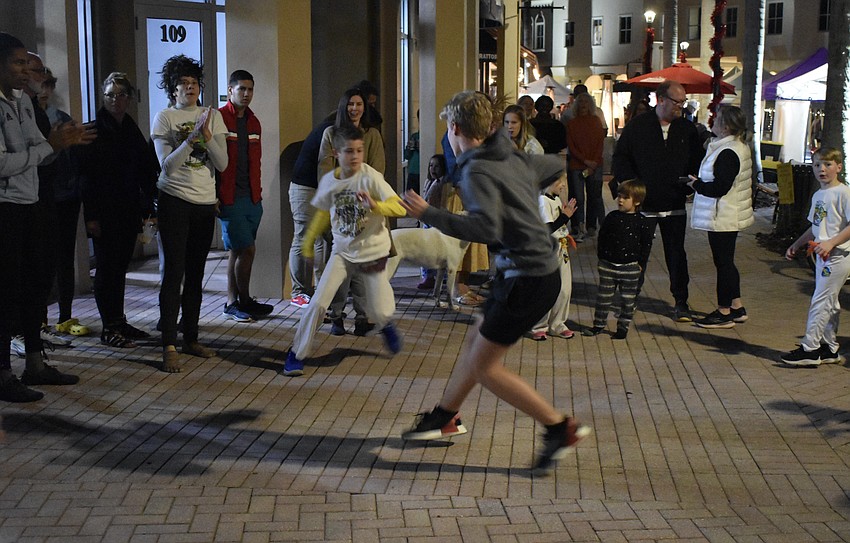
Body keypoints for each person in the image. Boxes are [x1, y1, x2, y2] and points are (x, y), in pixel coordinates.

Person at [399, 90, 591, 475]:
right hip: (531, 272)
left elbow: (487, 227)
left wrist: (430, 213)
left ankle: (559, 428)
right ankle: (445, 416)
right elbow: (551, 165)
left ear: (455, 129)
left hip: (526, 278)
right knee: (475, 344)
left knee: (486, 367)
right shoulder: (509, 154)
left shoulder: (476, 170)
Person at [0, 32, 95, 402]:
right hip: (6, 208)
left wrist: (58, 144)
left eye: (29, 65)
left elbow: (36, 148)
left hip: (32, 201)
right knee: (6, 291)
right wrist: (48, 147)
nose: (27, 72)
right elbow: (5, 161)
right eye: (18, 64)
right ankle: (4, 371)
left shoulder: (23, 101)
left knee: (34, 285)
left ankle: (35, 363)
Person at [283, 125, 404, 377]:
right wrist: (307, 244)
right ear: (336, 153)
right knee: (317, 304)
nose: (356, 156)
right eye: (349, 151)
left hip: (373, 251)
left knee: (380, 309)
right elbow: (321, 216)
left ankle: (385, 324)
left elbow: (399, 208)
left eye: (360, 150)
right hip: (342, 252)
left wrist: (376, 204)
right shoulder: (329, 181)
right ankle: (296, 353)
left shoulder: (371, 177)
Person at [151, 54, 228, 373]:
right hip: (174, 200)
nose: (189, 88)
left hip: (203, 202)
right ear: (172, 88)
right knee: (174, 272)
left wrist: (207, 138)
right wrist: (191, 140)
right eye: (182, 83)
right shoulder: (164, 117)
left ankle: (191, 337)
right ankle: (168, 343)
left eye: (193, 82)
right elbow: (166, 166)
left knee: (196, 272)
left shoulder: (212, 117)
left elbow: (222, 164)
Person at [78, 71, 159, 348]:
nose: (116, 100)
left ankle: (119, 320)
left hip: (127, 208)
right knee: (107, 268)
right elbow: (86, 178)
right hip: (104, 211)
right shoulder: (94, 130)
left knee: (120, 267)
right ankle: (108, 327)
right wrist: (91, 217)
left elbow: (145, 169)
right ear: (103, 97)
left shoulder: (130, 129)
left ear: (129, 99)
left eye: (121, 95)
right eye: (110, 95)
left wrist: (150, 205)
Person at [611, 80, 703, 322]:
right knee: (637, 254)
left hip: (674, 202)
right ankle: (629, 300)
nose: (680, 107)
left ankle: (681, 301)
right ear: (660, 99)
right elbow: (621, 158)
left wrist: (690, 184)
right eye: (676, 102)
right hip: (645, 204)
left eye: (683, 102)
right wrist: (632, 186)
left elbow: (696, 159)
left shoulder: (686, 129)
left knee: (676, 254)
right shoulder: (638, 127)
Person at [318, 87, 386, 335]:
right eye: (350, 104)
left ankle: (362, 316)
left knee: (362, 267)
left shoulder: (373, 135)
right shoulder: (330, 134)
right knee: (340, 267)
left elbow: (378, 170)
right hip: (340, 209)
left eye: (359, 104)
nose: (354, 109)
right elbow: (325, 169)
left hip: (366, 209)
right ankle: (336, 315)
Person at [686, 105, 753, 329]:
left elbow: (719, 187)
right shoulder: (732, 147)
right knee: (726, 262)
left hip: (723, 215)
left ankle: (724, 311)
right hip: (726, 214)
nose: (712, 121)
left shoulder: (728, 151)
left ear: (725, 126)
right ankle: (736, 306)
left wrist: (696, 184)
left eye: (717, 119)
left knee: (723, 263)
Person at [781, 148, 849, 367]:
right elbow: (816, 226)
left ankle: (810, 349)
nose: (822, 169)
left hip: (837, 256)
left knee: (821, 300)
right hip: (821, 255)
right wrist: (797, 244)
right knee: (830, 301)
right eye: (817, 165)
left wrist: (831, 242)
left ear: (839, 167)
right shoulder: (819, 195)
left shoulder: (844, 193)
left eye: (828, 164)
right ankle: (829, 348)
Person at [217, 70, 273, 323]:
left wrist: (257, 196)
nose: (247, 94)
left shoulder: (253, 122)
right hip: (229, 198)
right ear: (230, 91)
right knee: (246, 249)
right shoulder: (218, 119)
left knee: (237, 252)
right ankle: (241, 300)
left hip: (251, 198)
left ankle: (235, 301)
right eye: (241, 89)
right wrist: (215, 196)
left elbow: (256, 162)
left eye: (250, 89)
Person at [582, 180, 653, 339]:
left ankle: (623, 327)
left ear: (636, 201)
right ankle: (598, 325)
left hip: (630, 267)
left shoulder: (641, 221)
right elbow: (603, 237)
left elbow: (646, 244)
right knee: (603, 298)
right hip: (608, 265)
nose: (620, 200)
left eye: (625, 197)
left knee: (628, 301)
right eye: (619, 196)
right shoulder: (612, 217)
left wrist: (641, 264)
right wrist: (602, 258)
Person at [288, 113, 335, 309]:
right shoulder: (329, 131)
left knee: (325, 238)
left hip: (320, 188)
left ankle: (320, 288)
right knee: (304, 236)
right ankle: (299, 292)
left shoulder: (333, 130)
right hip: (305, 187)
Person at [524, 175, 577, 341]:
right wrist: (565, 216)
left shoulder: (554, 199)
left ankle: (558, 324)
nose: (562, 186)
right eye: (559, 182)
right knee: (546, 289)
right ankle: (538, 325)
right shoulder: (542, 201)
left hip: (561, 249)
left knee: (564, 289)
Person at [567, 92, 605, 242]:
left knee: (594, 196)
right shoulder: (572, 123)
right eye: (580, 102)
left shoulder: (596, 121)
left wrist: (593, 162)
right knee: (578, 197)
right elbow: (572, 146)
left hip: (595, 164)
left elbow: (599, 143)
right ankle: (579, 227)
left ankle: (592, 226)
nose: (583, 104)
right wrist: (585, 161)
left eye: (586, 102)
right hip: (578, 164)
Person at [417, 153, 447, 290]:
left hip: (437, 219)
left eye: (437, 166)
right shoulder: (428, 182)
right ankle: (428, 276)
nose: (433, 169)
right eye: (431, 165)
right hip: (427, 219)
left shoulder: (443, 184)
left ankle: (442, 275)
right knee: (425, 249)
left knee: (439, 250)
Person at [404, 110, 420, 194]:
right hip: (413, 172)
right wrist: (411, 147)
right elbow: (407, 155)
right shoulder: (414, 136)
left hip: (425, 172)